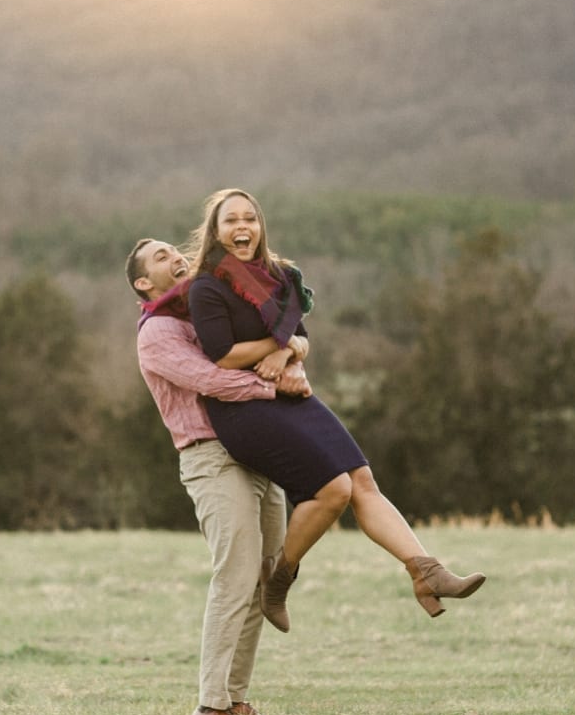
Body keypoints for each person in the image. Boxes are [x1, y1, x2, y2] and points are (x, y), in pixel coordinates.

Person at [184, 188, 485, 632]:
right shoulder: (207, 286)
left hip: (288, 395)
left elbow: (301, 335)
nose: (242, 227)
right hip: (242, 408)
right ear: (215, 231)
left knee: (361, 480)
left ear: (261, 227)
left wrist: (288, 354)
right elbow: (223, 354)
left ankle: (425, 572)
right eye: (230, 220)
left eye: (250, 218)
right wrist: (278, 347)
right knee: (333, 490)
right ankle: (280, 579)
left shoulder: (278, 276)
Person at [126, 236, 312, 715]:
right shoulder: (158, 331)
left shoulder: (207, 313)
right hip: (211, 457)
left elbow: (281, 337)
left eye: (175, 249)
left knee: (262, 576)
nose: (177, 257)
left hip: (257, 451)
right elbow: (211, 379)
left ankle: (235, 700)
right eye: (162, 257)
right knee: (235, 571)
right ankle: (210, 706)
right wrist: (273, 383)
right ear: (144, 284)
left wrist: (291, 350)